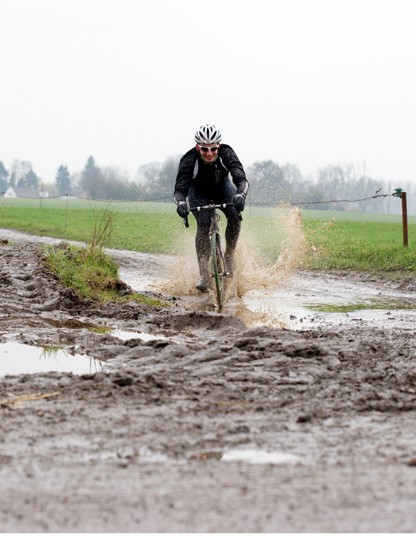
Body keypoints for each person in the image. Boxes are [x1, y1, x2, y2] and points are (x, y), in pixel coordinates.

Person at [173, 124, 249, 293]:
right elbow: (179, 191)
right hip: (198, 193)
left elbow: (241, 180)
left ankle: (229, 255)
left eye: (213, 149)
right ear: (197, 147)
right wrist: (181, 204)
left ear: (218, 147)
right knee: (204, 223)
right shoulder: (189, 159)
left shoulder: (227, 153)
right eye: (205, 149)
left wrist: (240, 196)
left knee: (234, 215)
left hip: (222, 188)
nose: (209, 153)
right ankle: (204, 274)